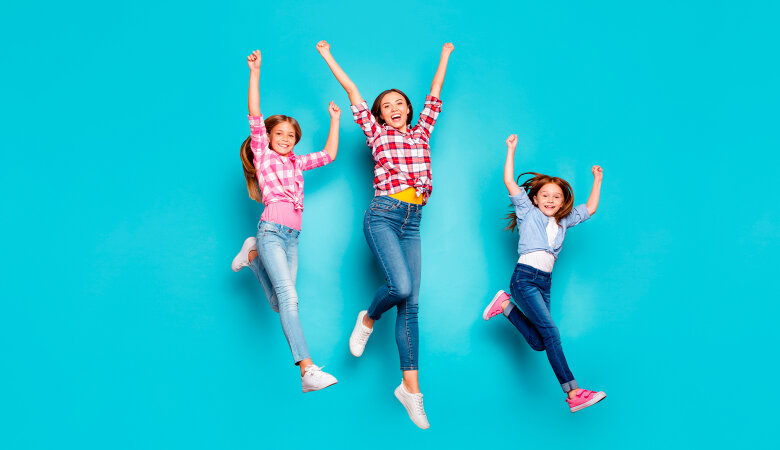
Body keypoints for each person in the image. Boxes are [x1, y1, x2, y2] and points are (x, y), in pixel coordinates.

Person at [315, 40, 454, 428]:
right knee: (402, 288)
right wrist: (328, 56)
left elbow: (435, 94)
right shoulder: (375, 134)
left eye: (399, 104)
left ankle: (411, 391)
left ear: (409, 110)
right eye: (386, 106)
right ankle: (369, 318)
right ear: (379, 115)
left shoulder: (422, 132)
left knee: (411, 306)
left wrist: (443, 56)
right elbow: (353, 92)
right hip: (384, 215)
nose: (393, 109)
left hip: (414, 221)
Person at [232, 50, 340, 393]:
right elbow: (254, 113)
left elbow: (330, 155)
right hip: (271, 233)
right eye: (280, 134)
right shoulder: (263, 156)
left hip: (292, 237)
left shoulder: (296, 163)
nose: (286, 139)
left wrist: (334, 119)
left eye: (291, 137)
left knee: (282, 302)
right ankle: (307, 369)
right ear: (269, 137)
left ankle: (252, 258)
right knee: (289, 300)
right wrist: (255, 72)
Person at [482, 134, 606, 413]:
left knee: (540, 342)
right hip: (524, 277)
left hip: (544, 283)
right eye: (545, 195)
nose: (551, 199)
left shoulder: (564, 220)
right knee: (552, 333)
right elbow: (510, 183)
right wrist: (511, 150)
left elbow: (591, 208)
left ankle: (503, 305)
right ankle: (574, 393)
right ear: (535, 198)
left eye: (557, 196)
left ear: (563, 202)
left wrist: (597, 180)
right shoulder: (527, 211)